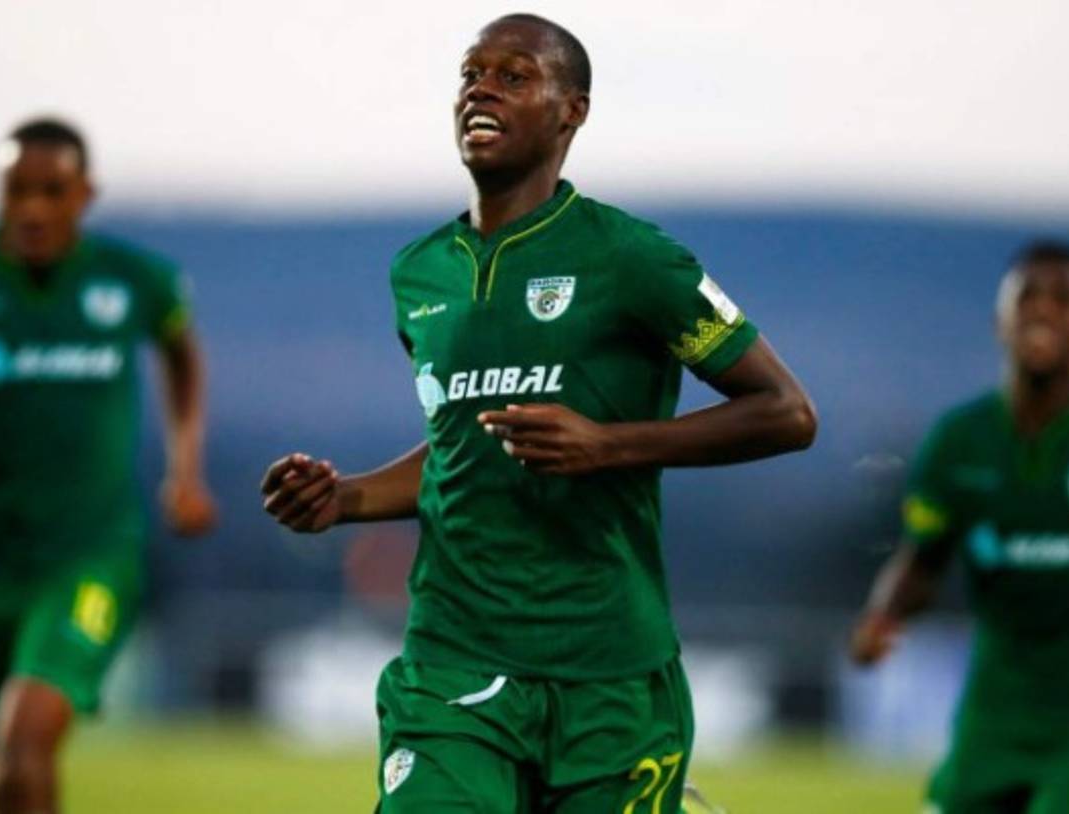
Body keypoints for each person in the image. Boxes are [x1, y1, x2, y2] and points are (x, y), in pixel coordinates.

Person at [261, 14, 815, 813]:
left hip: (611, 676)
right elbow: (462, 449)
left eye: (513, 75)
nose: (480, 90)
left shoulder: (632, 258)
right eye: (470, 74)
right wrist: (345, 498)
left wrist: (607, 445)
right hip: (454, 663)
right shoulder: (421, 274)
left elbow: (786, 412)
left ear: (571, 111)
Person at [0, 117, 218, 814]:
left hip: (91, 557)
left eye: (51, 191)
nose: (32, 209)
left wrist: (185, 469)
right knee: (5, 764)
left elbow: (182, 352)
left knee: (24, 738)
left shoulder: (131, 279)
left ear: (85, 194)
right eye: (17, 192)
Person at [850, 241, 1069, 813]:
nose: (1043, 309)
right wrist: (883, 615)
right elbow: (924, 559)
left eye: (1064, 299)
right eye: (1027, 296)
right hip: (996, 713)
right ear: (999, 323)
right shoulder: (960, 440)